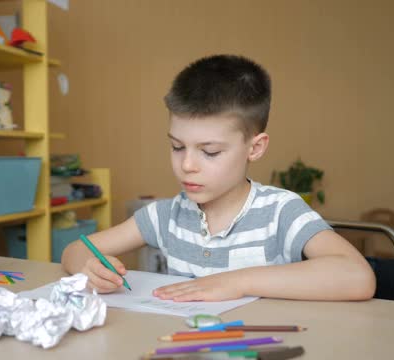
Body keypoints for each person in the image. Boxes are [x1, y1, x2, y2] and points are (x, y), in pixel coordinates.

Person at [61, 54, 375, 302]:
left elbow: (358, 277)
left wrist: (236, 282)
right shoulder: (167, 216)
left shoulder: (280, 212)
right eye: (176, 146)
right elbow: (76, 249)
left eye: (209, 152)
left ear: (255, 148)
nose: (187, 165)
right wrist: (87, 269)